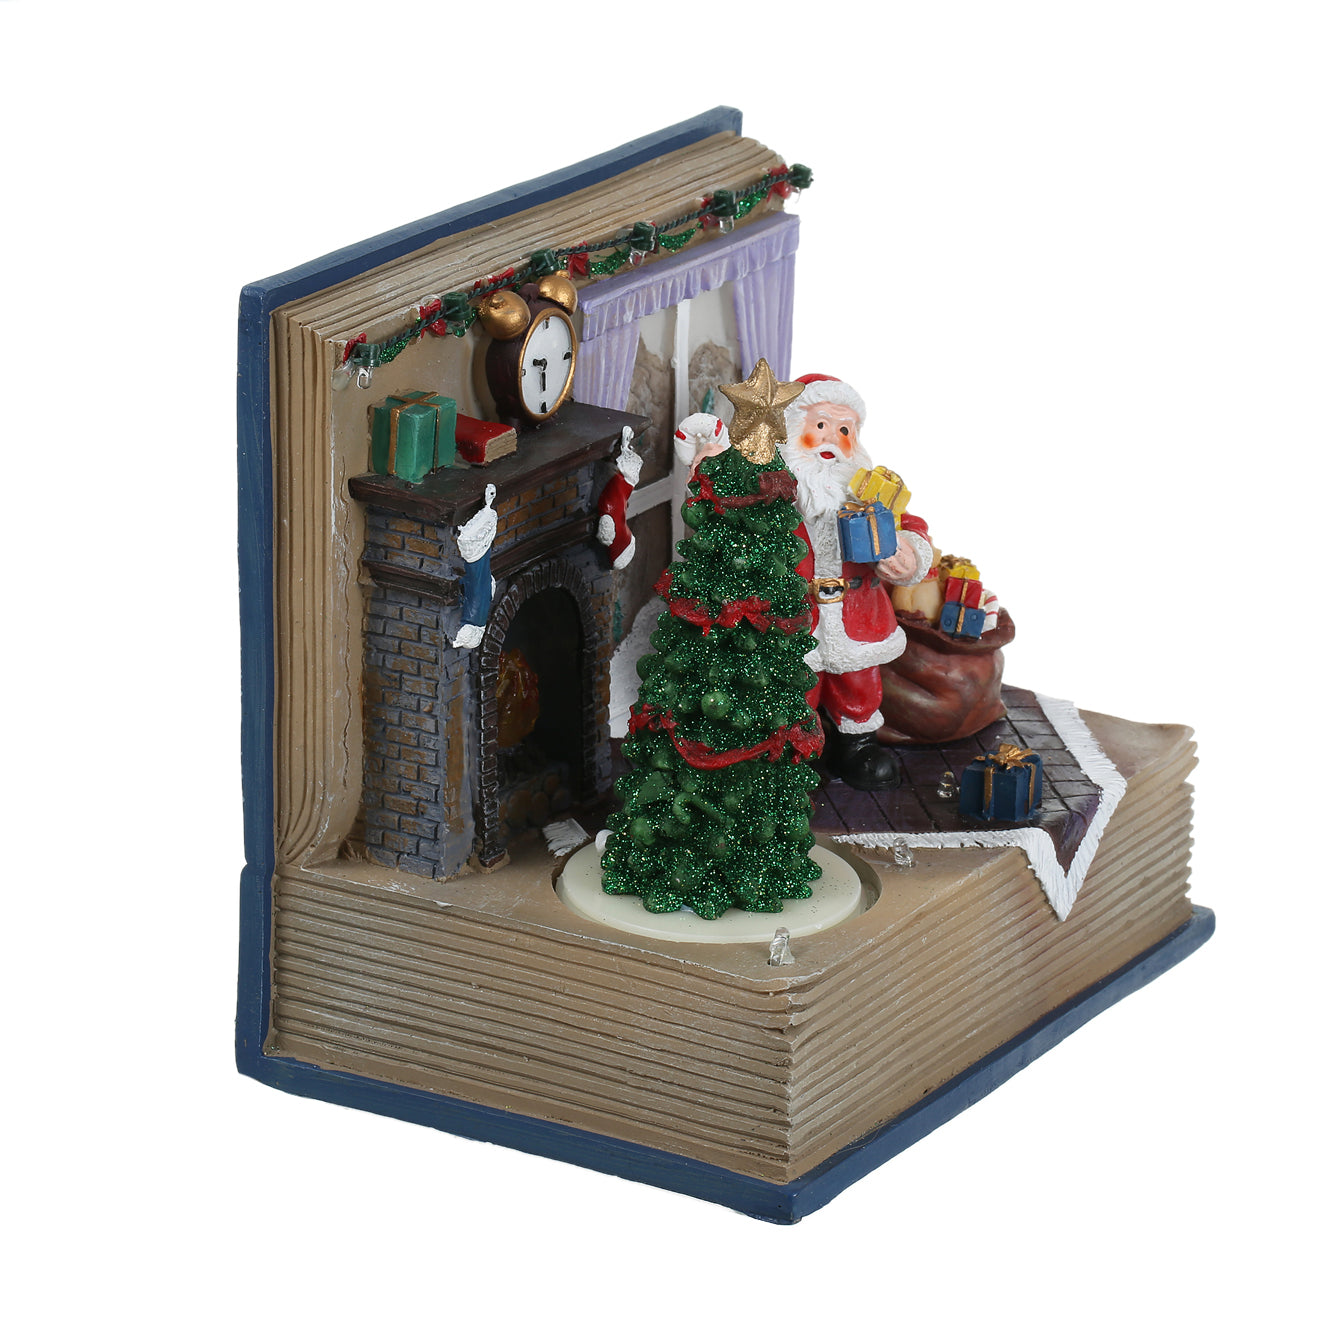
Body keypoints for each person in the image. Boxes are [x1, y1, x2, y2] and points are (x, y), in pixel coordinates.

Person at [780, 374, 933, 789]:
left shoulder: (869, 490)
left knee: (859, 682)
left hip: (857, 614)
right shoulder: (775, 492)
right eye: (821, 425)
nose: (834, 438)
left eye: (845, 430)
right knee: (797, 685)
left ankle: (858, 744)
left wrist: (908, 551)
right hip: (795, 617)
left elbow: (909, 524)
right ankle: (794, 748)